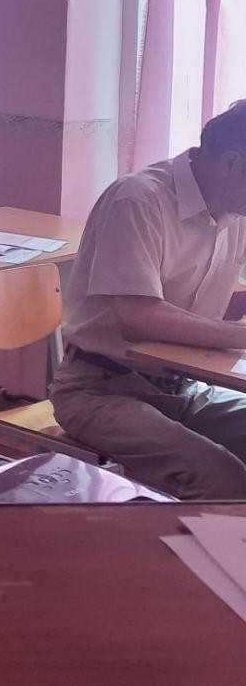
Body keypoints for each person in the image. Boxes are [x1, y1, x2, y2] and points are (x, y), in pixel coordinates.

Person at [50, 102, 246, 499]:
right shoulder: (138, 200)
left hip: (182, 385)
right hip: (100, 389)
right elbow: (140, 317)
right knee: (225, 479)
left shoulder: (234, 209)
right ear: (231, 163)